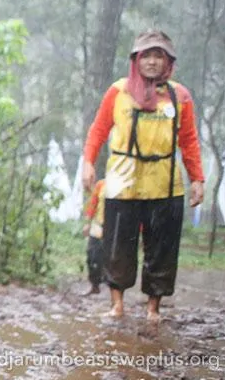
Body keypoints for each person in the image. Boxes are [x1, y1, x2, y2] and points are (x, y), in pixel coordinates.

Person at [81, 29, 205, 322]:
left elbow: (188, 140)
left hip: (165, 183)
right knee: (118, 245)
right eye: (145, 55)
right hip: (123, 181)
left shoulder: (179, 96)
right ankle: (117, 304)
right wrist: (88, 161)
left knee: (161, 247)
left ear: (168, 61)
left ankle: (153, 307)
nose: (151, 62)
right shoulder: (119, 91)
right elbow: (99, 130)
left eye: (158, 56)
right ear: (136, 60)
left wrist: (197, 178)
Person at [83, 179, 106, 295]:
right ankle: (94, 285)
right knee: (92, 254)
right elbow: (93, 203)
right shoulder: (101, 185)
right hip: (98, 224)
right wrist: (87, 222)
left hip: (114, 227)